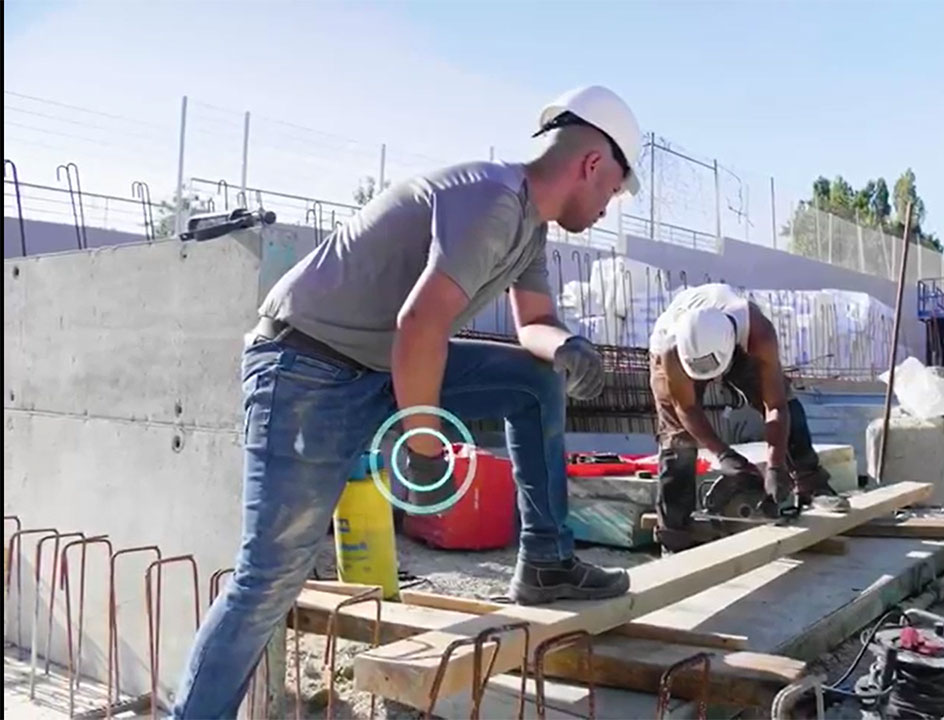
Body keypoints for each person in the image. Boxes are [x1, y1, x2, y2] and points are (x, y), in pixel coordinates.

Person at [171, 85, 643, 718]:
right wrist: (424, 445)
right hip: (304, 368)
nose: (610, 206)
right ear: (591, 164)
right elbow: (420, 324)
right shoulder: (491, 200)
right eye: (614, 190)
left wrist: (565, 346)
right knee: (269, 578)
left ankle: (547, 562)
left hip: (375, 363)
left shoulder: (529, 230)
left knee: (534, 381)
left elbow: (533, 321)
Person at [647, 283, 836, 553]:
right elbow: (686, 409)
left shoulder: (758, 333)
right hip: (680, 350)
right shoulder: (670, 349)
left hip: (735, 343)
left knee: (785, 397)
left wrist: (775, 465)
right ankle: (673, 535)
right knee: (676, 439)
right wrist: (725, 456)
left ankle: (811, 484)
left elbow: (776, 405)